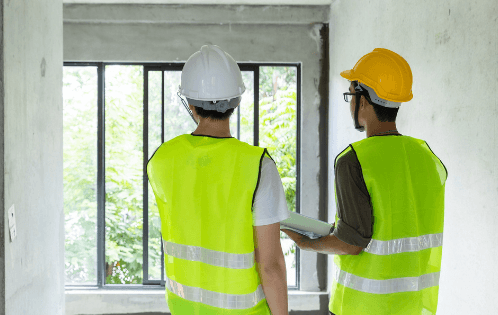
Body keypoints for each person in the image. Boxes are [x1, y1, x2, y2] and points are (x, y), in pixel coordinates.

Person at [281, 48, 448, 315]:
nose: (350, 104)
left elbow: (351, 243)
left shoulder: (353, 160)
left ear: (364, 101)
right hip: (413, 306)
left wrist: (306, 243)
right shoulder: (427, 158)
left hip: (362, 307)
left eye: (351, 95)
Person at [147, 45, 290, 315]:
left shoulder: (161, 159)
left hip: (184, 309)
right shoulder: (258, 165)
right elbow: (270, 266)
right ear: (236, 101)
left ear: (190, 104)